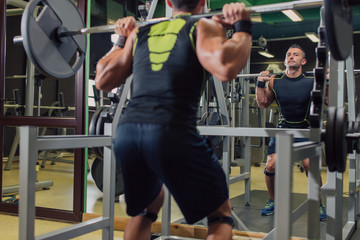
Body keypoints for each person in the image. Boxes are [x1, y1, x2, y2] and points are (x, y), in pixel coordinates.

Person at [95, 0, 252, 239]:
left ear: (168, 2)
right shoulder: (200, 26)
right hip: (170, 131)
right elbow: (225, 67)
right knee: (220, 216)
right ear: (203, 1)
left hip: (127, 133)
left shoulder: (141, 31)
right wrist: (242, 26)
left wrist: (122, 39)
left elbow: (102, 79)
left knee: (147, 206)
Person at [255, 44, 326, 221]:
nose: (291, 56)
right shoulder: (275, 81)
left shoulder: (311, 81)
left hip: (305, 130)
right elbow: (263, 103)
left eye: (295, 54)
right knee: (270, 165)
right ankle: (272, 201)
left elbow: (328, 101)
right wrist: (259, 83)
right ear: (285, 60)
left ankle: (318, 202)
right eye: (288, 54)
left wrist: (329, 81)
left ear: (303, 61)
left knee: (310, 166)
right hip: (284, 130)